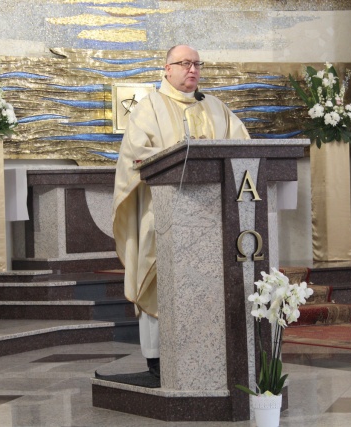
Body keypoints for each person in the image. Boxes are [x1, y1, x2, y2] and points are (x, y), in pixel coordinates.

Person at [112, 45, 250, 379]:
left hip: (214, 218)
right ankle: (157, 360)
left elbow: (244, 147)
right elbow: (136, 154)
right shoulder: (149, 107)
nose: (192, 69)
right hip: (163, 213)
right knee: (157, 280)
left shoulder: (216, 108)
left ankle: (210, 351)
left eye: (197, 64)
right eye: (185, 63)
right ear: (167, 69)